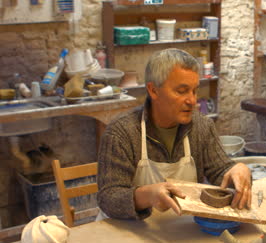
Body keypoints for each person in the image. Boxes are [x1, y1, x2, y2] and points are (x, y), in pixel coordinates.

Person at [97, 48, 251, 220]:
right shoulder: (122, 133)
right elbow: (108, 197)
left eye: (194, 91)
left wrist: (237, 170)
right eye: (181, 91)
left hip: (181, 231)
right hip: (131, 231)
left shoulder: (201, 127)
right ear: (153, 90)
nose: (192, 101)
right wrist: (147, 195)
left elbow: (220, 172)